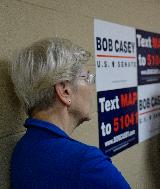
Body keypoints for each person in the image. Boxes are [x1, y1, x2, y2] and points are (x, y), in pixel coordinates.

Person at [10, 38, 131, 189]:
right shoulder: (88, 164)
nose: (92, 87)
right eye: (87, 78)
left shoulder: (22, 150)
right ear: (64, 91)